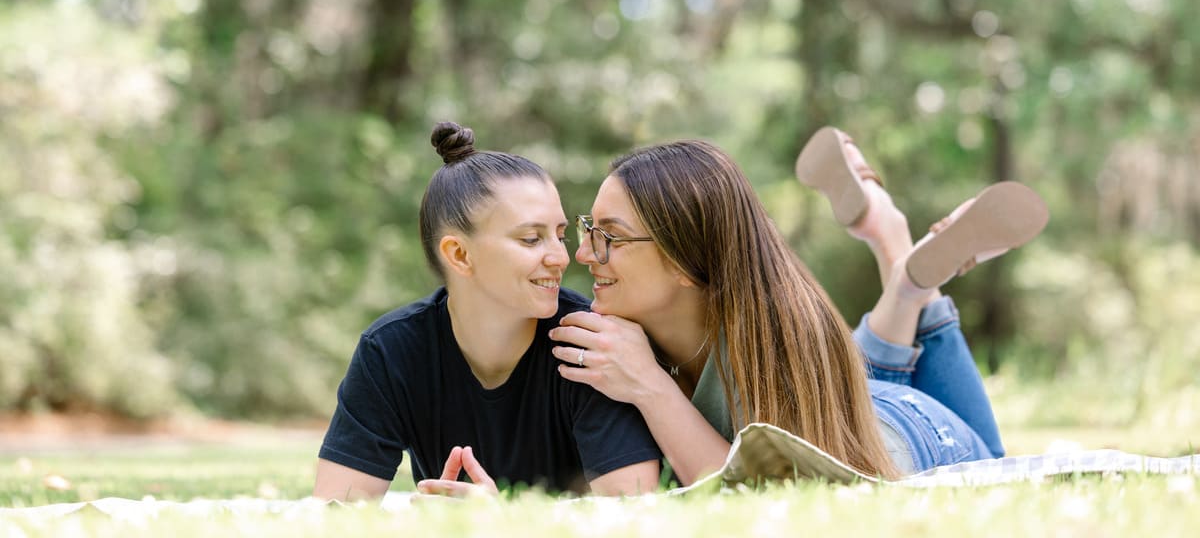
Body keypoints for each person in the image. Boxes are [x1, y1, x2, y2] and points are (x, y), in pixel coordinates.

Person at [549, 128, 1047, 483]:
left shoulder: (775, 338)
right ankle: (894, 248)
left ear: (684, 261)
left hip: (917, 439)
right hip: (858, 399)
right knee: (861, 377)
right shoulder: (627, 332)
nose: (583, 253)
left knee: (996, 467)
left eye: (609, 236)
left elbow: (759, 496)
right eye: (588, 228)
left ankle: (901, 262)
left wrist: (651, 386)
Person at [313, 122, 661, 500]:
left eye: (560, 235)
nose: (561, 257)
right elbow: (337, 510)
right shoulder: (392, 351)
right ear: (459, 255)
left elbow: (634, 512)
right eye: (531, 239)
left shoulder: (589, 343)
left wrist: (503, 522)